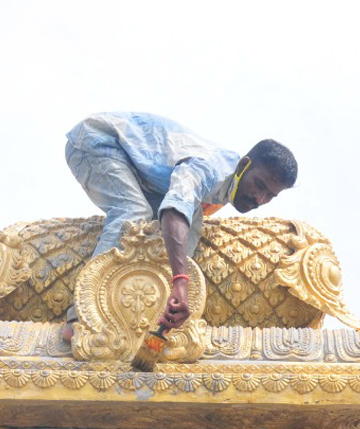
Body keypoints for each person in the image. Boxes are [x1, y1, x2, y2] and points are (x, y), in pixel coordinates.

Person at [63, 113, 298, 335]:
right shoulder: (209, 170)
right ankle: (81, 319)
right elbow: (174, 211)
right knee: (134, 212)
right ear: (244, 165)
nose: (260, 199)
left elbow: (184, 225)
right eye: (259, 185)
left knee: (187, 233)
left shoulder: (220, 192)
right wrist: (180, 282)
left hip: (140, 172)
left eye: (270, 195)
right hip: (98, 142)